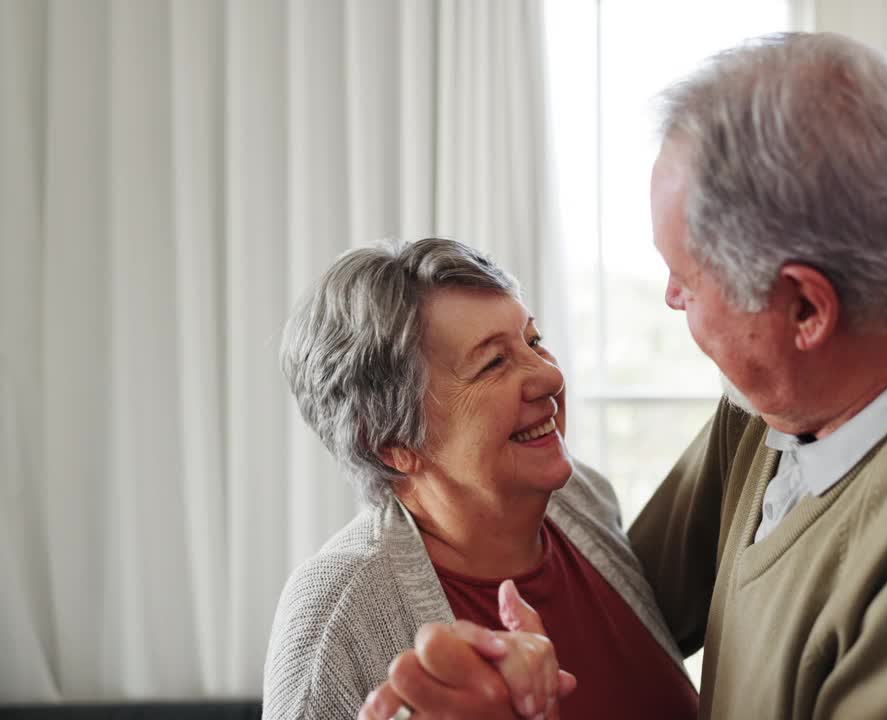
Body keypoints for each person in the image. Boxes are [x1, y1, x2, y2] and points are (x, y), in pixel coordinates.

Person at [395, 32, 887, 719]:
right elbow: (628, 612)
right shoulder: (787, 399)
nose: (670, 297)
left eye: (686, 276)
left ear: (806, 309)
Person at [264, 238, 697, 720]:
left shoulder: (583, 497)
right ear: (392, 443)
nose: (550, 378)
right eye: (493, 363)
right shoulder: (334, 619)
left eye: (533, 341)